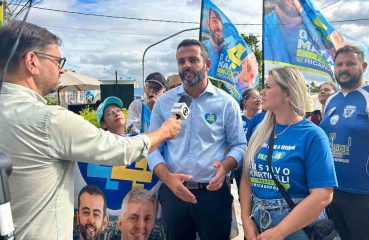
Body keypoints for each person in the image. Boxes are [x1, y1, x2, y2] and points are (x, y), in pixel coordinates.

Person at [0, 20, 181, 239]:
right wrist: (164, 131)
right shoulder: (50, 120)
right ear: (32, 61)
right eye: (57, 61)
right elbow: (120, 149)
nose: (62, 69)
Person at [148, 39, 247, 240]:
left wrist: (225, 167)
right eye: (181, 61)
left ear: (207, 64)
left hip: (213, 194)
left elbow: (239, 145)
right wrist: (168, 179)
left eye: (193, 60)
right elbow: (152, 147)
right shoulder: (165, 103)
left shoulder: (226, 103)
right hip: (173, 192)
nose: (186, 66)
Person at [240, 66, 337, 240]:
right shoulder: (259, 132)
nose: (262, 92)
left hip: (297, 228)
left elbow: (323, 194)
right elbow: (247, 178)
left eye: (268, 87)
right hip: (257, 224)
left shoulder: (312, 135)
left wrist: (279, 232)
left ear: (287, 93)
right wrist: (246, 221)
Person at [320, 45, 369, 240]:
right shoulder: (332, 101)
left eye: (350, 63)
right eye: (338, 64)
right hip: (334, 193)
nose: (343, 68)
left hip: (367, 196)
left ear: (363, 66)